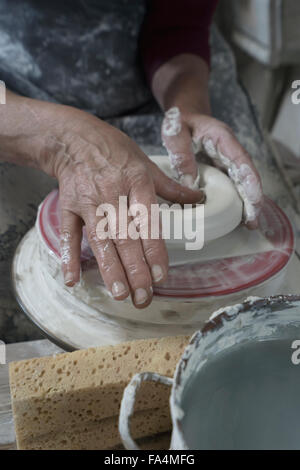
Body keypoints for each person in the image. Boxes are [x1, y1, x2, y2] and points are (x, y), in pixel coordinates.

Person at [0, 0, 262, 312]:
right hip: (17, 94)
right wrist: (65, 143)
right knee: (32, 277)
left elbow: (178, 27)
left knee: (258, 211)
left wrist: (187, 109)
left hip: (161, 73)